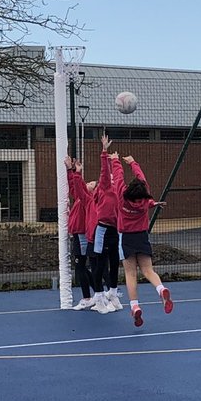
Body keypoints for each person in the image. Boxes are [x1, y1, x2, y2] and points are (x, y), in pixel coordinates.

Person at [110, 152, 173, 327]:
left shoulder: (122, 196)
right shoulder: (146, 201)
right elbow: (142, 178)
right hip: (142, 235)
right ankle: (160, 289)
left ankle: (135, 306)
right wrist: (133, 162)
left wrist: (115, 160)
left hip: (126, 237)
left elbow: (118, 176)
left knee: (130, 274)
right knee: (148, 270)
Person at [89, 133, 122, 313]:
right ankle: (99, 298)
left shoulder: (116, 189)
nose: (110, 178)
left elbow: (117, 175)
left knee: (115, 262)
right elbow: (104, 172)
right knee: (100, 264)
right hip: (101, 230)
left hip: (115, 231)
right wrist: (104, 152)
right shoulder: (105, 188)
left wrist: (115, 160)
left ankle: (114, 295)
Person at [64, 156, 97, 310]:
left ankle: (88, 297)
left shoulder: (87, 198)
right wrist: (70, 170)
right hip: (78, 233)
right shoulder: (80, 197)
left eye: (91, 183)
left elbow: (77, 185)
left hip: (82, 234)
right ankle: (97, 293)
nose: (89, 183)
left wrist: (76, 172)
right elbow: (73, 186)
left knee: (80, 266)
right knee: (81, 266)